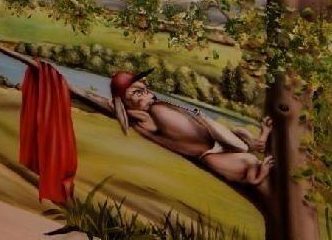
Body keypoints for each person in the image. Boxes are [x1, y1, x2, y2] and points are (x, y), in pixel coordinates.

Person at [111, 69, 274, 187]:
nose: (150, 95)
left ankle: (261, 140)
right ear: (124, 103)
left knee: (242, 135)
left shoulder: (154, 107)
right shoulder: (142, 118)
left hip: (214, 137)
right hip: (208, 152)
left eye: (146, 90)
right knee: (249, 159)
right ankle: (260, 162)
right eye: (138, 93)